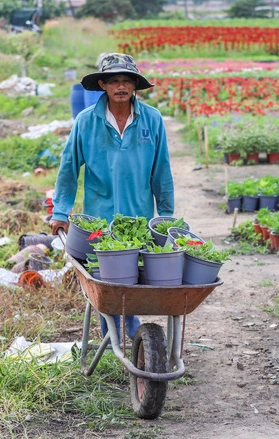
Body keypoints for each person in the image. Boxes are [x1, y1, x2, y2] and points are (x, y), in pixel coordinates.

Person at [50, 53, 175, 343]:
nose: (121, 86)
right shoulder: (86, 122)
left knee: (132, 281)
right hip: (99, 220)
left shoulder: (152, 120)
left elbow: (162, 172)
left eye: (126, 80)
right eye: (115, 80)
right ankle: (115, 339)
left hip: (138, 218)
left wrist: (166, 215)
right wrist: (61, 210)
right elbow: (69, 169)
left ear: (135, 85)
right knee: (107, 284)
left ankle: (128, 335)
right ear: (103, 85)